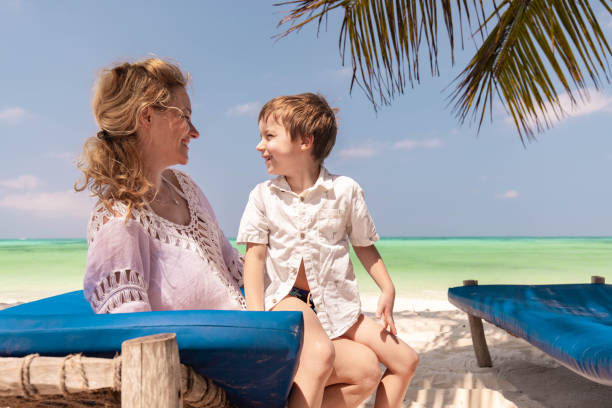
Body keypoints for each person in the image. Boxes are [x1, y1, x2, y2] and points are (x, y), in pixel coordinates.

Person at [76, 58, 380, 407]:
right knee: (320, 356)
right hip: (207, 364)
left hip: (246, 336)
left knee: (365, 367)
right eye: (184, 115)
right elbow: (132, 338)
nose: (194, 131)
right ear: (147, 117)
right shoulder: (120, 219)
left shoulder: (185, 188)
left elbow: (236, 269)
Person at [237, 93, 419, 408]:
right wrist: (257, 319)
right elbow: (255, 257)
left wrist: (387, 288)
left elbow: (364, 246)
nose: (259, 146)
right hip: (286, 300)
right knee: (322, 356)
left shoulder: (346, 190)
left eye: (269, 136)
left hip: (338, 306)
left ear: (305, 141)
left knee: (407, 360)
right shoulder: (263, 196)